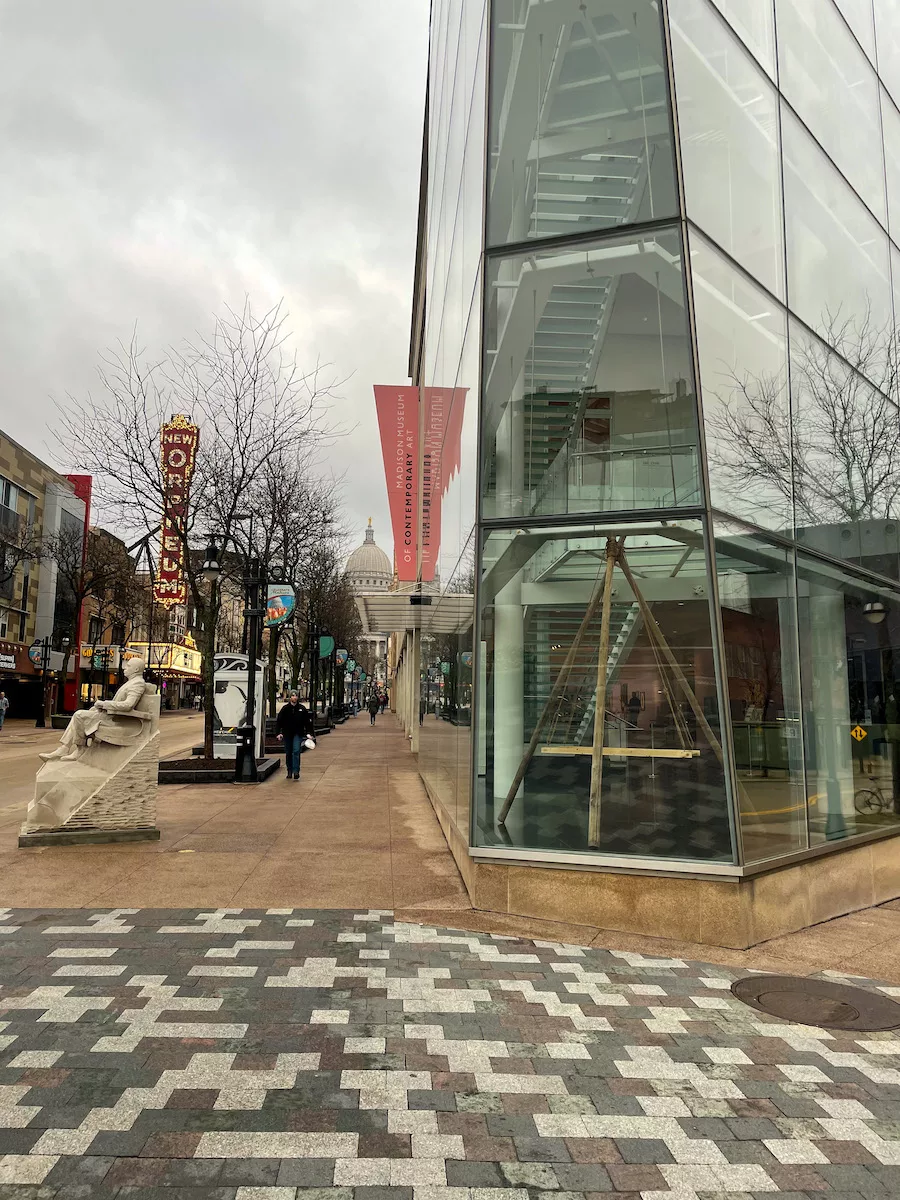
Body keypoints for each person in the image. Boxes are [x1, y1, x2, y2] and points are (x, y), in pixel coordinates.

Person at [39, 657, 149, 763]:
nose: (125, 668)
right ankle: (65, 748)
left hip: (116, 719)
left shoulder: (137, 683)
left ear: (136, 669)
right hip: (111, 714)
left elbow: (128, 705)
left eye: (128, 666)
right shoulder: (132, 682)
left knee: (79, 715)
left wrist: (104, 704)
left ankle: (75, 749)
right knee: (83, 714)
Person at [276, 690, 314, 779]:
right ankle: (289, 770)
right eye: (292, 696)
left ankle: (296, 771)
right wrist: (278, 733)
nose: (294, 697)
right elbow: (279, 722)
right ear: (290, 697)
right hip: (287, 734)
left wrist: (309, 733)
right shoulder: (285, 709)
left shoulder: (302, 709)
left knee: (296, 751)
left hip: (298, 733)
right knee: (288, 752)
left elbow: (307, 722)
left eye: (296, 696)